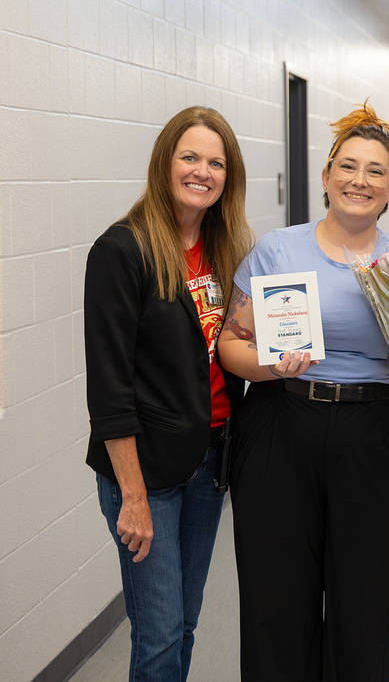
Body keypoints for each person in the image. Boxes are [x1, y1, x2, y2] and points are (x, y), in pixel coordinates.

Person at [217, 102, 389, 681]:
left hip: (377, 436)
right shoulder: (280, 250)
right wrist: (270, 367)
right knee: (276, 599)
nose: (360, 180)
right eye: (348, 166)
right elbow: (231, 345)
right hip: (283, 423)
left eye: (376, 171)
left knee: (363, 602)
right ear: (327, 175)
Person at [84, 105, 253, 680]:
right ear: (165, 163)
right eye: (189, 157)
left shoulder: (225, 248)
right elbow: (109, 392)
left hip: (209, 462)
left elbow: (229, 347)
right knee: (157, 637)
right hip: (148, 475)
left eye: (216, 162)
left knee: (185, 623)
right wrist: (131, 495)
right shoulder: (122, 251)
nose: (202, 171)